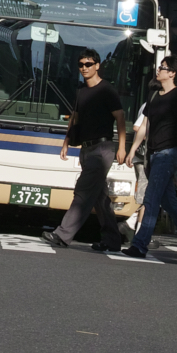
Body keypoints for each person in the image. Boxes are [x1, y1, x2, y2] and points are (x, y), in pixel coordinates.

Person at [123, 54, 177, 261]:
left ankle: (139, 245)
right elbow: (145, 125)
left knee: (151, 199)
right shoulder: (153, 95)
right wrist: (133, 148)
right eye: (160, 67)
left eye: (163, 67)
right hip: (152, 154)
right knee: (169, 202)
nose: (159, 70)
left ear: (172, 73)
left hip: (167, 154)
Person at [45, 51, 125, 251]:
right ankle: (113, 240)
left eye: (89, 64)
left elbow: (120, 118)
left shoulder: (106, 90)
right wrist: (66, 142)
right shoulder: (81, 90)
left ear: (97, 65)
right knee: (99, 196)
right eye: (81, 64)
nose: (84, 68)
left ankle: (63, 235)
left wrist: (122, 146)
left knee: (82, 191)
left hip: (102, 148)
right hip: (86, 148)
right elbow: (75, 118)